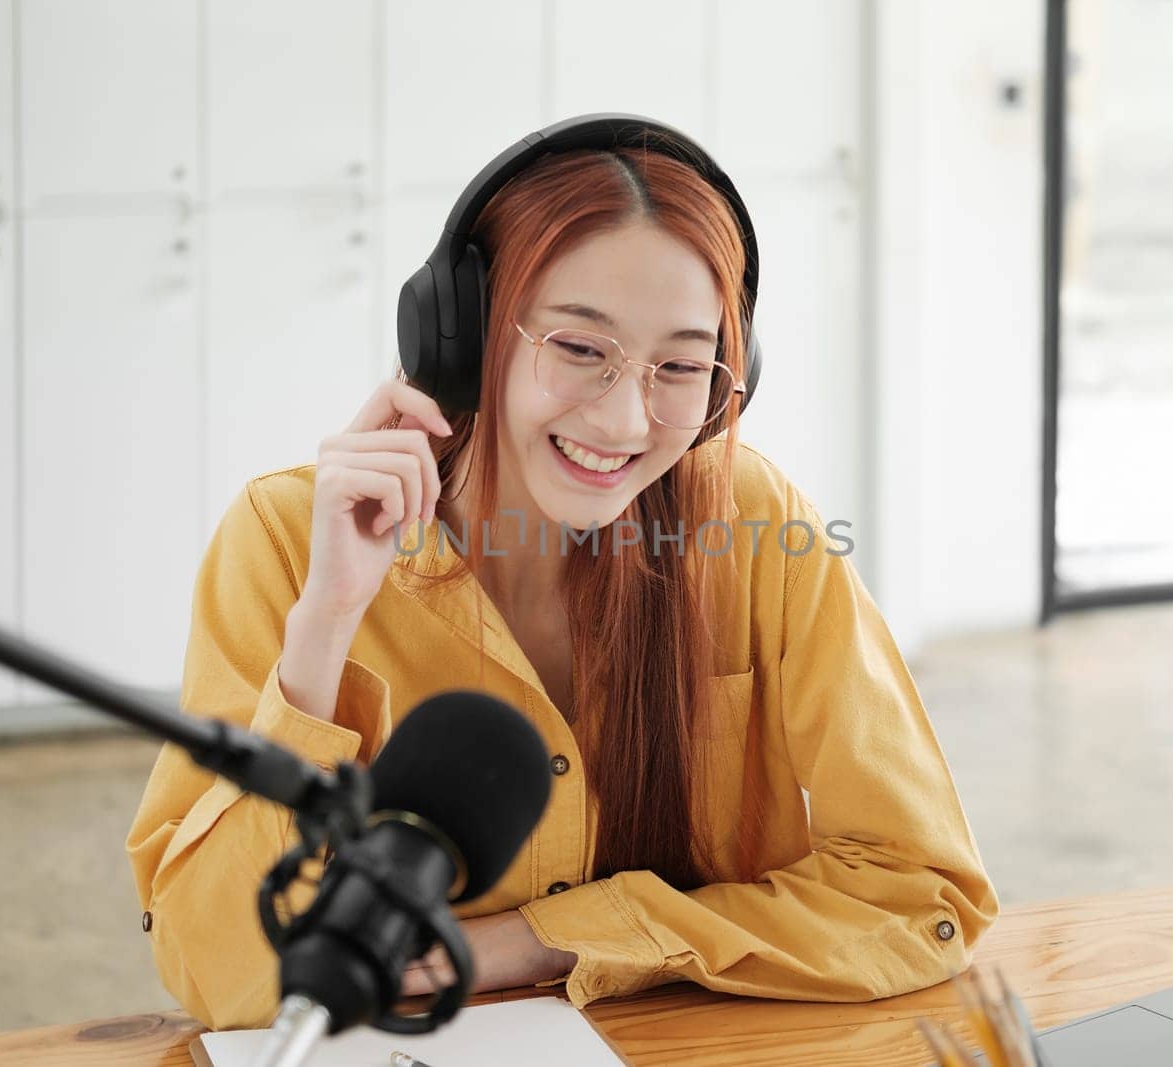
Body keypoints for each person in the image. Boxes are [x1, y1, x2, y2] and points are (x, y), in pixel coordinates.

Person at [126, 118, 999, 1032]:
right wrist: (326, 628)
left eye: (682, 366)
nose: (626, 420)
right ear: (456, 337)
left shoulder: (751, 520)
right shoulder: (288, 539)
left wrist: (547, 936)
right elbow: (220, 975)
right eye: (580, 349)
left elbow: (923, 894)